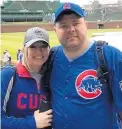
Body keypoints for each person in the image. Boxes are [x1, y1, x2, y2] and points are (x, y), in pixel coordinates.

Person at [49, 2, 122, 129]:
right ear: (55, 30)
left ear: (86, 25)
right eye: (63, 25)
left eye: (76, 23)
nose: (70, 29)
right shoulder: (51, 57)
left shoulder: (110, 56)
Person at [1, 27, 53, 129]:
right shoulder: (8, 75)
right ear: (24, 49)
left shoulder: (52, 77)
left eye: (43, 46)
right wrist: (32, 123)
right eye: (33, 46)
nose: (39, 51)